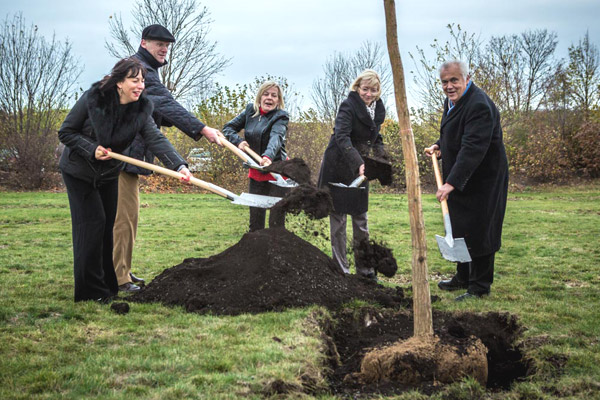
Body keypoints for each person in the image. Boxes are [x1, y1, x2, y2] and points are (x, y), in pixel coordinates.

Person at [59, 58, 192, 302]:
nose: (140, 85)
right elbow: (66, 132)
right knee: (92, 225)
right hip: (79, 171)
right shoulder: (94, 99)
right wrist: (91, 149)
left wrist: (179, 165)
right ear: (119, 82)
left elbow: (155, 138)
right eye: (134, 80)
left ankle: (108, 287)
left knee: (108, 228)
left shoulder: (141, 109)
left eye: (142, 80)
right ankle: (90, 294)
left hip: (109, 172)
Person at [113, 24, 222, 292]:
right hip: (121, 154)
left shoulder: (147, 71)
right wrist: (202, 128)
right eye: (158, 43)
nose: (163, 49)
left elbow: (155, 111)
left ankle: (122, 270)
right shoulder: (140, 70)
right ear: (143, 43)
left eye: (167, 45)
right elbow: (163, 104)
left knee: (130, 217)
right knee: (123, 218)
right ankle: (118, 278)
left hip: (129, 155)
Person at [425, 60, 509, 301]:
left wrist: (450, 183)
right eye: (444, 82)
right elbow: (455, 134)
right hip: (461, 175)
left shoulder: (479, 105)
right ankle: (462, 277)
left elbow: (473, 147)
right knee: (460, 225)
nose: (449, 86)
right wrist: (439, 146)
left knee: (481, 227)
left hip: (484, 178)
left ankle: (479, 286)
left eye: (454, 80)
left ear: (466, 78)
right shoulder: (452, 102)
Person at [317, 69, 386, 279]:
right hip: (339, 166)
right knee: (338, 220)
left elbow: (376, 138)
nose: (369, 94)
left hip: (361, 168)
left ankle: (365, 271)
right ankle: (341, 270)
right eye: (365, 89)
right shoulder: (348, 105)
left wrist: (382, 159)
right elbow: (342, 136)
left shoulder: (377, 109)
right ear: (357, 88)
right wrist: (359, 163)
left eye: (373, 90)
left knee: (360, 219)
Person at [222, 81, 290, 231]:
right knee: (256, 219)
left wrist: (267, 157)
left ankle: (277, 252)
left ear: (278, 100)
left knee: (276, 221)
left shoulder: (281, 116)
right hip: (256, 170)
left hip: (276, 172)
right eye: (266, 94)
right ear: (260, 97)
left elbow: (276, 138)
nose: (269, 98)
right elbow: (228, 128)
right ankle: (256, 251)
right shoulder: (250, 111)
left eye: (274, 95)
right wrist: (238, 141)